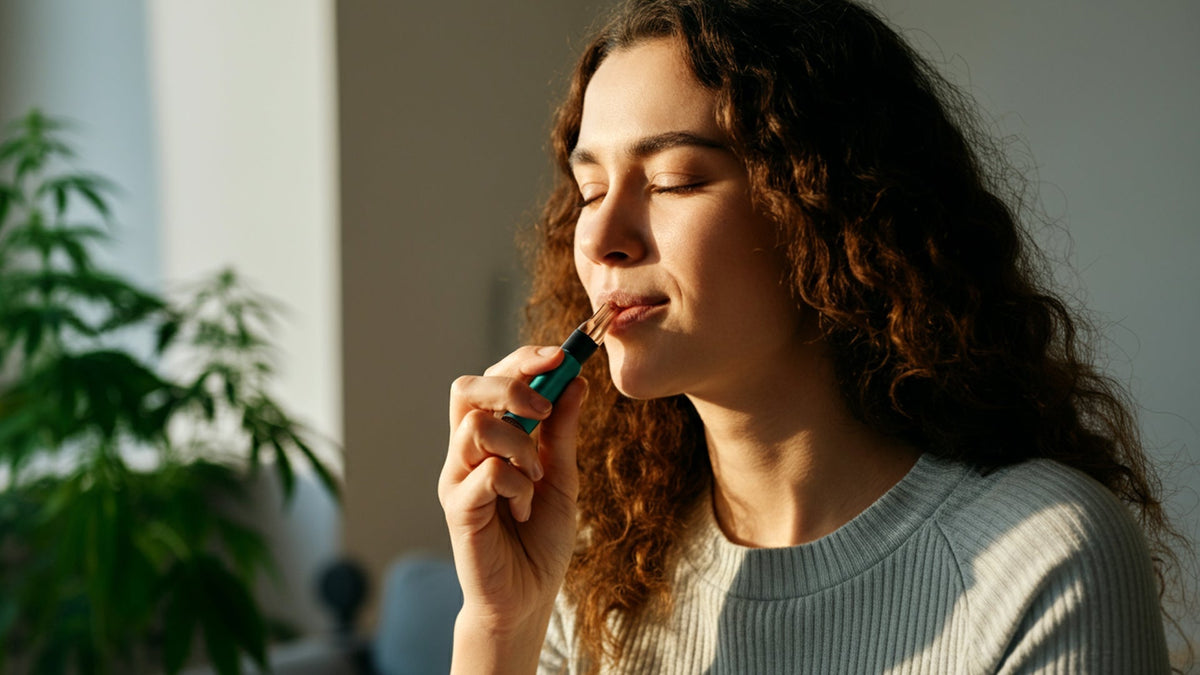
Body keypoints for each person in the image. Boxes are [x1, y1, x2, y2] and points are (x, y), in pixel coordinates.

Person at [438, 0, 1187, 672]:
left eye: (673, 180)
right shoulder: (600, 561)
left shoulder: (1045, 556)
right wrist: (502, 625)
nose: (599, 235)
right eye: (590, 189)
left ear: (825, 205)